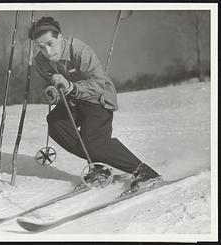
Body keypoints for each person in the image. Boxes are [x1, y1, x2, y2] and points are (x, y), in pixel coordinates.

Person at [29, 16, 160, 189]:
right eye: (41, 46)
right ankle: (100, 168)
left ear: (60, 37)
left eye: (50, 43)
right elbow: (47, 87)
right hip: (73, 102)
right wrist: (52, 93)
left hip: (97, 99)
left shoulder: (78, 49)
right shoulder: (40, 60)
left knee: (94, 143)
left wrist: (71, 87)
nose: (46, 50)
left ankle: (143, 171)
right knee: (56, 125)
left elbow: (98, 84)